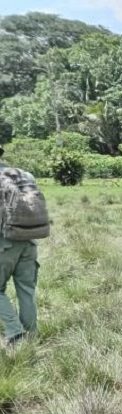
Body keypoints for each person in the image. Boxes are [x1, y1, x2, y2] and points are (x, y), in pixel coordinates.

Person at [0, 145, 43, 347]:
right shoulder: (24, 175)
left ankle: (15, 333)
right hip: (29, 241)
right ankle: (30, 335)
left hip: (4, 244)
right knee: (26, 290)